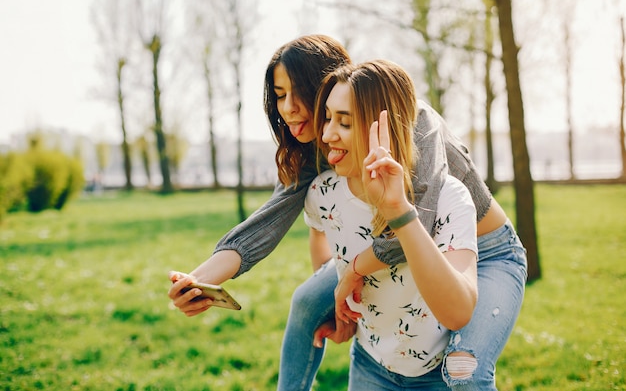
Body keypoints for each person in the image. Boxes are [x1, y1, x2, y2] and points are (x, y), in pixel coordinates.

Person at [168, 34, 528, 390]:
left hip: (482, 252)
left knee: (467, 372)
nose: (288, 107)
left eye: (298, 93)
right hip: (394, 250)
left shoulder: (412, 122)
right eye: (279, 96)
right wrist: (197, 281)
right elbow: (268, 224)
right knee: (308, 300)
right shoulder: (323, 145)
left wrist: (352, 273)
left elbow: (416, 222)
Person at [305, 59, 478, 389]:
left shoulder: (449, 199)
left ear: (382, 129)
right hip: (369, 365)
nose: (327, 134)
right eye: (328, 118)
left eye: (344, 123)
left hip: (437, 375)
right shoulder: (322, 193)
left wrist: (398, 210)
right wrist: (340, 313)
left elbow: (457, 312)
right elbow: (319, 235)